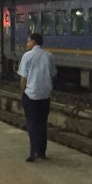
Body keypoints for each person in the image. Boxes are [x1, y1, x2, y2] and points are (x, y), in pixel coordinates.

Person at [17, 32, 57, 162]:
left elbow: (23, 78)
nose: (27, 43)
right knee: (42, 124)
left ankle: (33, 152)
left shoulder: (27, 56)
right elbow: (53, 75)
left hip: (31, 95)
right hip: (45, 95)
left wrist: (22, 94)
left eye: (28, 41)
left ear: (33, 42)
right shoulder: (49, 55)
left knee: (32, 124)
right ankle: (41, 152)